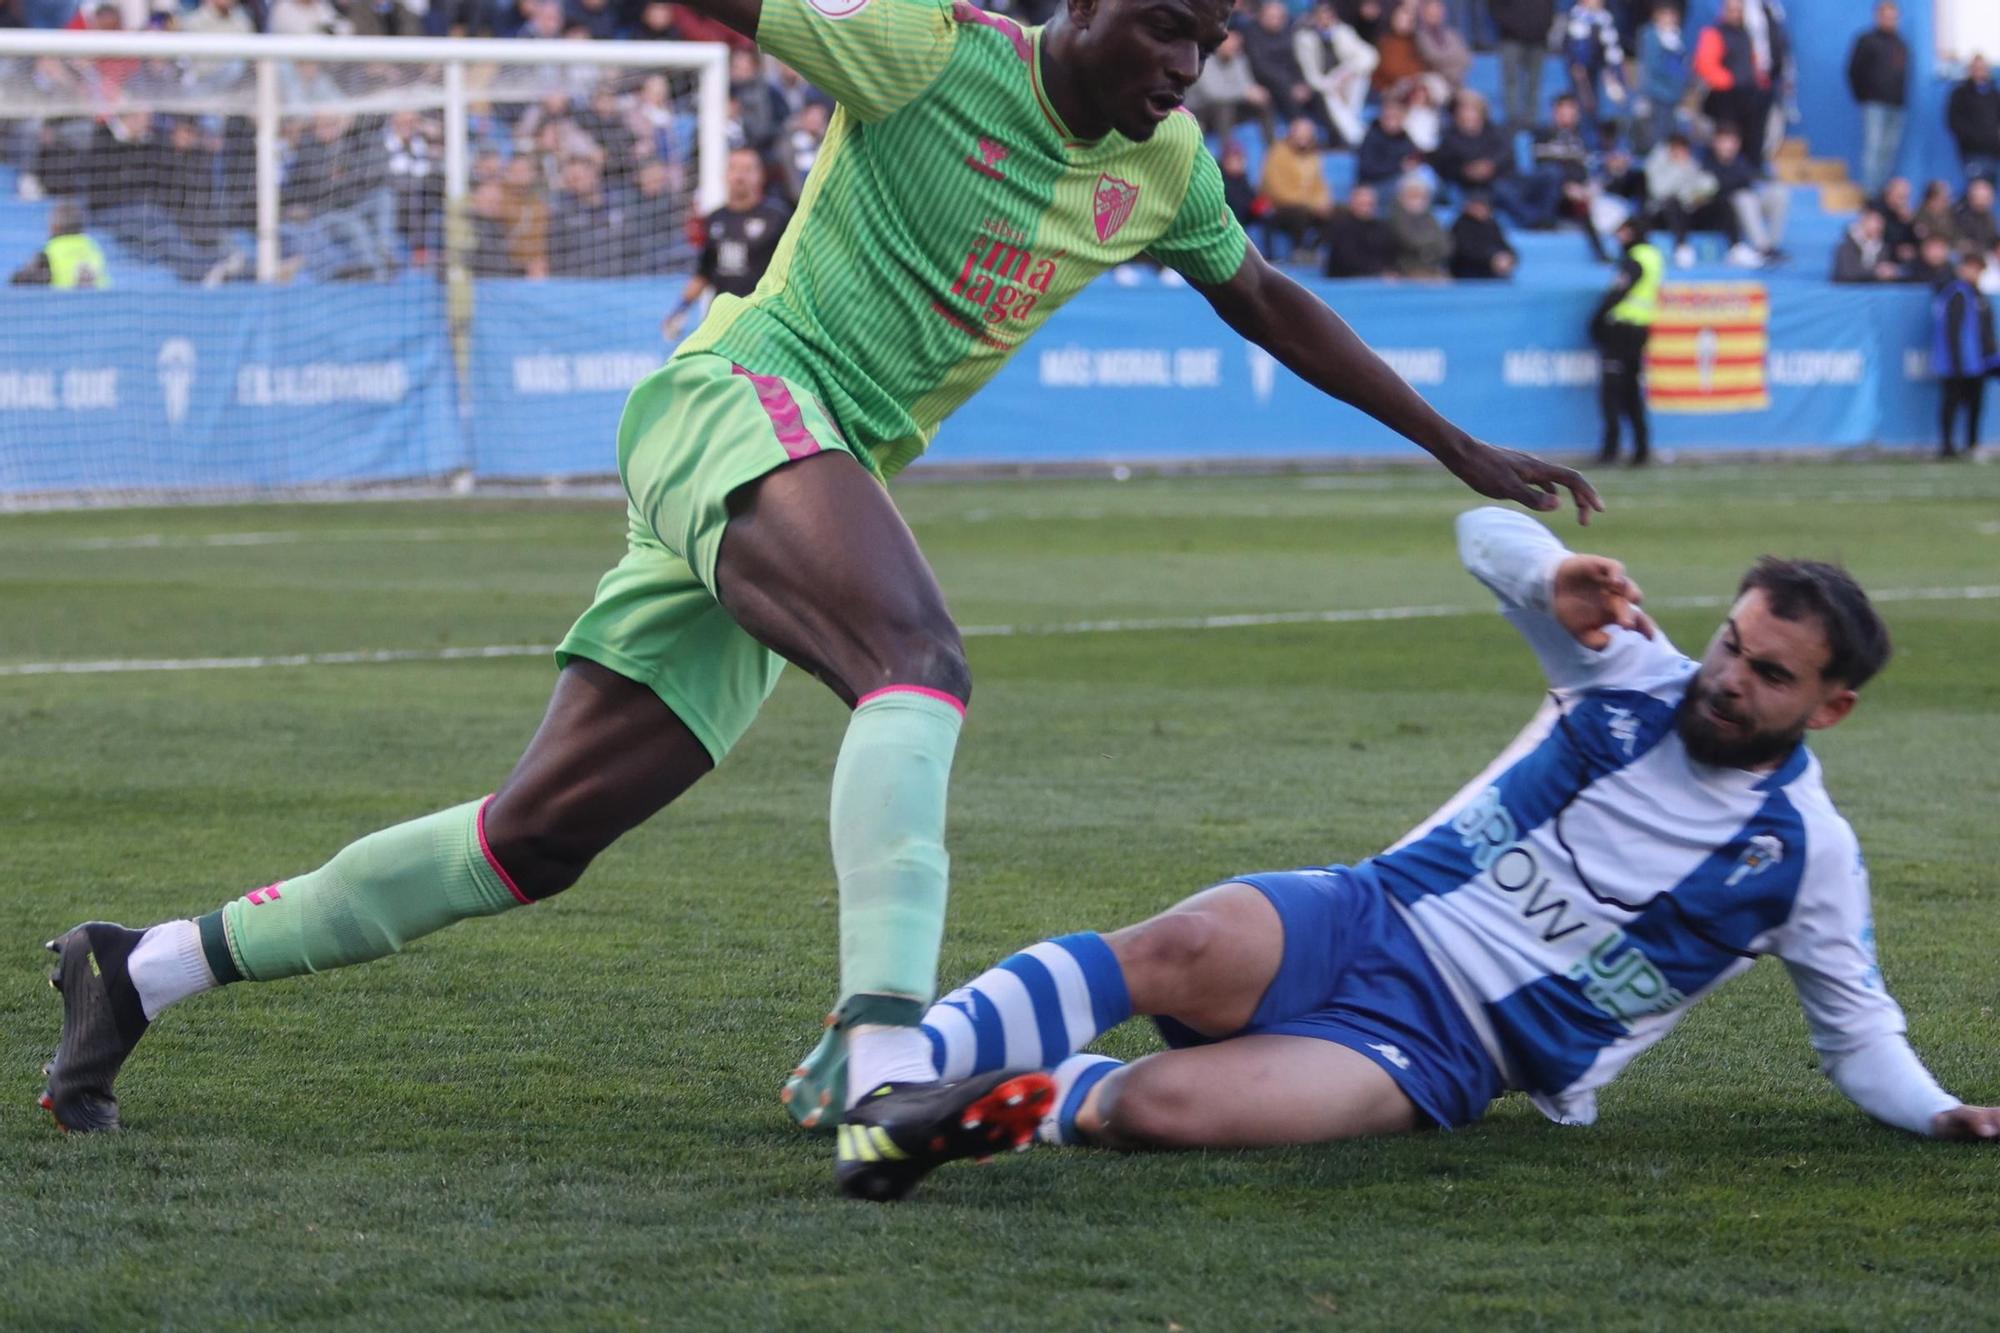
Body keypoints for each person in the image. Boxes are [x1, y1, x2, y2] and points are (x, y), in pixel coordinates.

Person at [39, 0, 1597, 1208]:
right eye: (1171, 22)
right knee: (915, 661)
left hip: (806, 466)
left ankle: (144, 966)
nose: (1191, 63)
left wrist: (1454, 443)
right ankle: (883, 1065)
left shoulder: (1162, 169)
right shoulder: (926, 52)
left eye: (1216, 37)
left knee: (535, 838)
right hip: (737, 400)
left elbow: (1261, 294)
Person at [787, 509, 2000, 1155]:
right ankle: (892, 1067)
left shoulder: (1803, 859)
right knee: (1176, 944)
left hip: (1443, 1050)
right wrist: (1548, 578)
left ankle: (1020, 1095)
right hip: (1363, 911)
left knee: (1156, 1114)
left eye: (1770, 673)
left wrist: (1935, 1108)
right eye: (1733, 642)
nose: (1729, 676)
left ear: (1828, 707)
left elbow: (1860, 1034)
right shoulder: (1625, 673)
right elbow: (1485, 533)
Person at [662, 146, 791, 339]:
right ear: (725, 174)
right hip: (721, 321)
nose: (740, 176)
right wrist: (680, 310)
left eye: (748, 169)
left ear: (760, 176)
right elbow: (704, 272)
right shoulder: (714, 220)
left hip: (762, 321)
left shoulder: (778, 217)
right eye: (734, 168)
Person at [1589, 215, 1658, 465]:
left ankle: (1611, 449)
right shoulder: (1653, 256)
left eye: (1622, 232)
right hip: (1640, 329)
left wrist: (1596, 319)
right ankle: (1641, 448)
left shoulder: (1635, 259)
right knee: (1631, 392)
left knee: (1612, 392)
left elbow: (1620, 291)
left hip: (1622, 330)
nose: (1619, 237)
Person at [1933, 249, 1995, 458]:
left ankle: (1971, 444)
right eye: (1971, 268)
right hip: (1959, 362)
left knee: (1975, 404)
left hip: (1977, 361)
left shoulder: (1978, 294)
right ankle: (1947, 446)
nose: (1974, 273)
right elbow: (1953, 330)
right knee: (1952, 402)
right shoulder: (1957, 293)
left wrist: (1990, 356)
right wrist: (1957, 361)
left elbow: (1985, 331)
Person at [1694, 0, 1769, 170]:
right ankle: (1721, 166)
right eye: (1731, 10)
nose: (1735, 14)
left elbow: (1754, 63)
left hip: (1747, 93)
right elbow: (1705, 65)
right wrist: (1729, 82)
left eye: (1738, 10)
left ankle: (1751, 167)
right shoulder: (1714, 33)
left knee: (1760, 105)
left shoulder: (1746, 35)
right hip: (1723, 95)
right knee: (1727, 118)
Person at [1292, 2, 1375, 147]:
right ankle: (1358, 138)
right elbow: (1312, 76)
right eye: (1321, 16)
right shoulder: (1304, 39)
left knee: (1362, 78)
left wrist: (1348, 74)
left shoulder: (1344, 32)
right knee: (1332, 100)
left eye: (1329, 15)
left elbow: (1370, 56)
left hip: (1346, 76)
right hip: (1326, 84)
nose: (1325, 20)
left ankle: (1357, 133)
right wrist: (1333, 85)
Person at [1846, 2, 1908, 197]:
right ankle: (1869, 194)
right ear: (1878, 17)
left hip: (1896, 105)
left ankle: (1881, 193)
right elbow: (1853, 70)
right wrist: (1863, 96)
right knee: (1873, 148)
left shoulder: (1901, 44)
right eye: (1886, 15)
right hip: (1874, 104)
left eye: (1893, 16)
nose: (1890, 20)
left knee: (1888, 151)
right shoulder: (1867, 40)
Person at [1645, 131, 1730, 268]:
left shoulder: (1691, 164)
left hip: (1689, 211)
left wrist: (1698, 192)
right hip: (1662, 214)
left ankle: (1735, 247)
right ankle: (1682, 247)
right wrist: (1678, 169)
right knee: (1672, 203)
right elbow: (1659, 191)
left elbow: (1709, 184)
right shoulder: (1657, 164)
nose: (1681, 152)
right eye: (1678, 148)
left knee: (1724, 202)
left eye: (1684, 148)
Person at [1707, 124, 1786, 267]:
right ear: (1715, 143)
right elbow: (1719, 187)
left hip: (1752, 207)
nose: (1727, 146)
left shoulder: (1742, 161)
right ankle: (1762, 248)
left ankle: (1772, 246)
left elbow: (1755, 177)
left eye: (1731, 141)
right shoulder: (1708, 163)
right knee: (1744, 197)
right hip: (1726, 213)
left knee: (1778, 192)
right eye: (1723, 141)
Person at [1261, 115, 1336, 259]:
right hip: (1280, 207)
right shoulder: (1277, 153)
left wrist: (1322, 202)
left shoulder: (1314, 156)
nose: (1303, 138)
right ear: (1291, 134)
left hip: (1309, 206)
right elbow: (1275, 189)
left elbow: (1320, 185)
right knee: (1299, 212)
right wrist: (1309, 204)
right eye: (1299, 134)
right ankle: (1298, 251)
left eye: (1306, 134)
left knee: (1337, 212)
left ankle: (1315, 248)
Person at [1185, 29, 1274, 144]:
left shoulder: (1239, 59)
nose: (1233, 48)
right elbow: (1213, 94)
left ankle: (1272, 146)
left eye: (1236, 46)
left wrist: (1255, 93)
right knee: (1224, 107)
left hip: (1231, 104)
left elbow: (1247, 85)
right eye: (1229, 45)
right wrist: (1244, 93)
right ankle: (1229, 151)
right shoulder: (1205, 61)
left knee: (1263, 102)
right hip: (1200, 110)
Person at [9, 199, 109, 288]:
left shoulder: (50, 252)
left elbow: (17, 281)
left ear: (55, 225)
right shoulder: (94, 247)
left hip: (63, 306)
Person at [1490, 0, 1553, 133]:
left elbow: (1550, 7)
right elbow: (1495, 6)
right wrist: (1510, 25)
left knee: (1534, 82)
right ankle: (1513, 120)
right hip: (1510, 37)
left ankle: (1532, 121)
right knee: (1511, 80)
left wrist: (1544, 26)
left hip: (1538, 38)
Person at [1633, 4, 1687, 155]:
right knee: (1656, 136)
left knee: (1670, 134)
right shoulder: (1651, 36)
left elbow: (1680, 68)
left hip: (1673, 95)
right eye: (1665, 15)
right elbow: (1651, 66)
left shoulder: (1677, 38)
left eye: (1672, 15)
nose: (1669, 19)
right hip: (1656, 93)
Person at [1322, 181, 1396, 277]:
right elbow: (1347, 260)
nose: (1366, 208)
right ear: (1352, 203)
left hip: (1375, 278)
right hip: (1346, 281)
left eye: (1370, 204)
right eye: (1362, 204)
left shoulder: (1382, 227)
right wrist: (1379, 272)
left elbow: (1389, 255)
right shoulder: (1341, 226)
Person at [1947, 55, 2000, 186]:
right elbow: (1954, 121)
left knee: (1990, 190)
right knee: (1977, 189)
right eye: (1975, 68)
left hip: (1994, 152)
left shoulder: (1994, 94)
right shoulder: (1960, 93)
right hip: (1972, 152)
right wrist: (1971, 138)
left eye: (1982, 68)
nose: (1979, 71)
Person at [1388, 171, 1452, 277]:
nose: (1418, 199)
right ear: (1402, 195)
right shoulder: (1397, 216)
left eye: (1421, 195)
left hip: (1432, 265)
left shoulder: (1429, 216)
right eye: (1413, 194)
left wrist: (1430, 251)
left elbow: (1445, 244)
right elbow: (1410, 240)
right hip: (1406, 268)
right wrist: (1431, 244)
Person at [1356, 96, 1425, 188]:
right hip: (1375, 184)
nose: (1391, 122)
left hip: (1399, 179)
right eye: (1388, 117)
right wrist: (1399, 167)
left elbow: (1412, 157)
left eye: (1395, 117)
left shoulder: (1404, 137)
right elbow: (1368, 168)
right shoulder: (1371, 136)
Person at [1447, 190, 1516, 279]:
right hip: (1468, 272)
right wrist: (1492, 259)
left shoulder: (1491, 224)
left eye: (1483, 206)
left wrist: (1509, 257)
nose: (1480, 209)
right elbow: (1465, 251)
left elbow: (1503, 244)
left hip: (1493, 271)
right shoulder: (1461, 225)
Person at [1831, 207, 1902, 284]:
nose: (1879, 226)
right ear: (1864, 221)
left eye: (1881, 222)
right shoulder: (1845, 247)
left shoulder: (1883, 247)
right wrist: (1876, 272)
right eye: (1875, 222)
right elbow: (1847, 273)